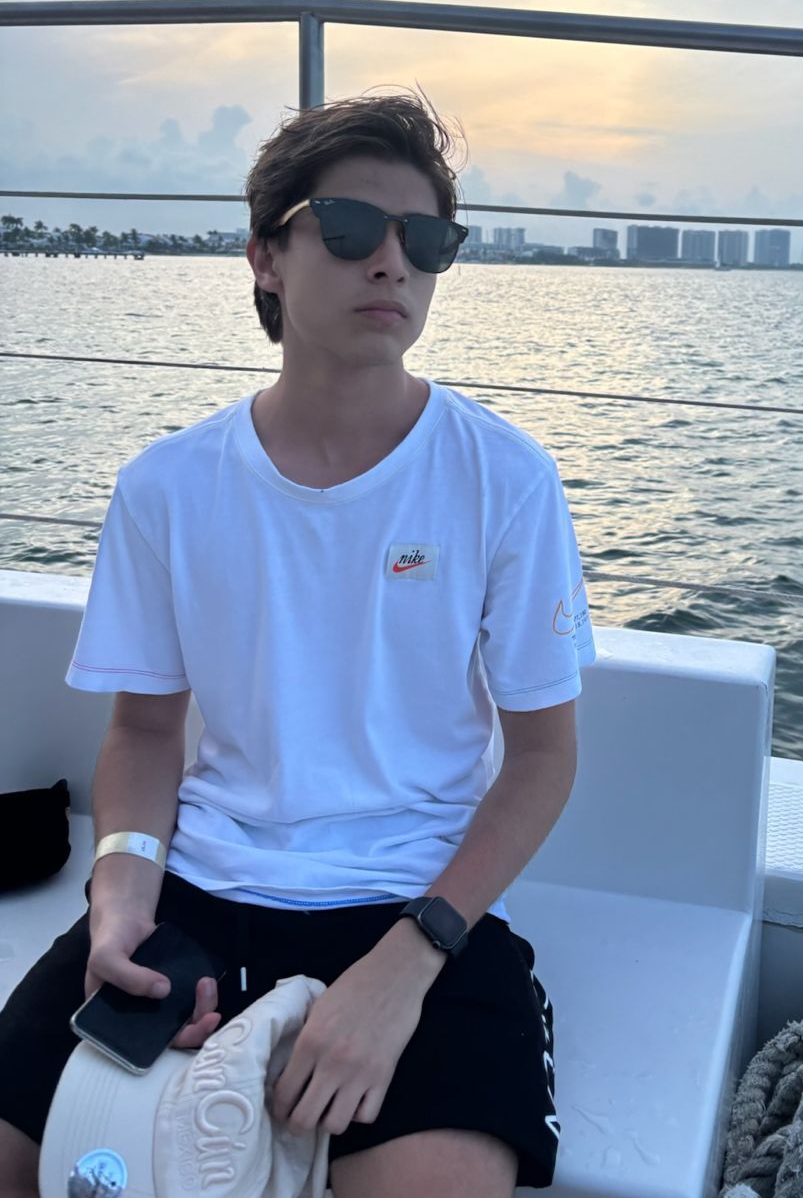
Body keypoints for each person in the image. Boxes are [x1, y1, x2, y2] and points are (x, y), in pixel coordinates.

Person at [0, 89, 596, 1198]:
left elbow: (543, 757)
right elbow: (144, 731)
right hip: (201, 885)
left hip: (419, 901)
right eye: (352, 227)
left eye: (426, 240)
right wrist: (119, 896)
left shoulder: (504, 478)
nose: (392, 263)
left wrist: (407, 963)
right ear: (265, 258)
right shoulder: (168, 486)